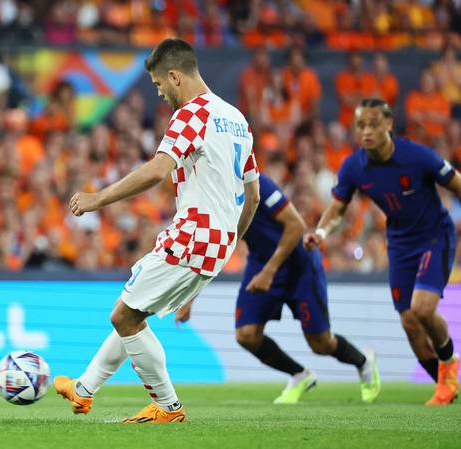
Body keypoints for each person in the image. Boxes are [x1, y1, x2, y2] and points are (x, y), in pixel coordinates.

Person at [54, 38, 260, 423]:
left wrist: (98, 199)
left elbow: (157, 170)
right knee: (136, 309)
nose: (160, 93)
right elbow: (253, 197)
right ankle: (83, 390)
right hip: (218, 242)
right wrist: (229, 244)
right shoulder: (236, 119)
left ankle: (168, 406)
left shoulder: (191, 114)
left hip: (195, 232)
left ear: (174, 76)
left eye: (158, 85)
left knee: (124, 317)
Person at [304, 98, 460, 406]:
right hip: (400, 244)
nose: (366, 131)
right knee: (409, 323)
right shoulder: (354, 167)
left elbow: (456, 183)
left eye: (373, 124)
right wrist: (320, 232)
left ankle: (449, 364)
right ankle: (445, 385)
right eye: (361, 125)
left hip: (434, 237)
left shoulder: (417, 157)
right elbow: (337, 207)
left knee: (423, 309)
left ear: (388, 124)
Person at [176, 173, 381, 404]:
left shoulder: (256, 182)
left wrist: (269, 271)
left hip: (297, 263)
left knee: (321, 343)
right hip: (261, 262)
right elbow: (214, 246)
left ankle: (363, 361)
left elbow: (296, 226)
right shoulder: (213, 192)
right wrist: (190, 297)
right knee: (247, 335)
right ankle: (300, 375)